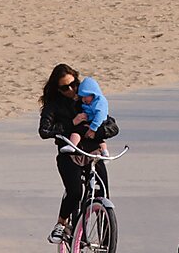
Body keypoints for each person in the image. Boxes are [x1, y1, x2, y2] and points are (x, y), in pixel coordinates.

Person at [38, 63, 118, 245]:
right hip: (69, 155)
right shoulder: (54, 107)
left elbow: (112, 126)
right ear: (57, 89)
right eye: (65, 87)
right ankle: (61, 224)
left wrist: (95, 131)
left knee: (102, 196)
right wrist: (71, 124)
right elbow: (44, 131)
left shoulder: (89, 99)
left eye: (73, 84)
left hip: (93, 154)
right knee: (75, 191)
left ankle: (106, 244)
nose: (71, 89)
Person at [59, 77, 110, 157]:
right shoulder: (90, 102)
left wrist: (93, 128)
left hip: (98, 123)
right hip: (93, 122)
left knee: (77, 131)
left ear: (93, 94)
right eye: (82, 97)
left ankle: (72, 145)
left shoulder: (100, 101)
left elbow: (100, 114)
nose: (84, 99)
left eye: (85, 96)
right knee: (98, 139)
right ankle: (104, 151)